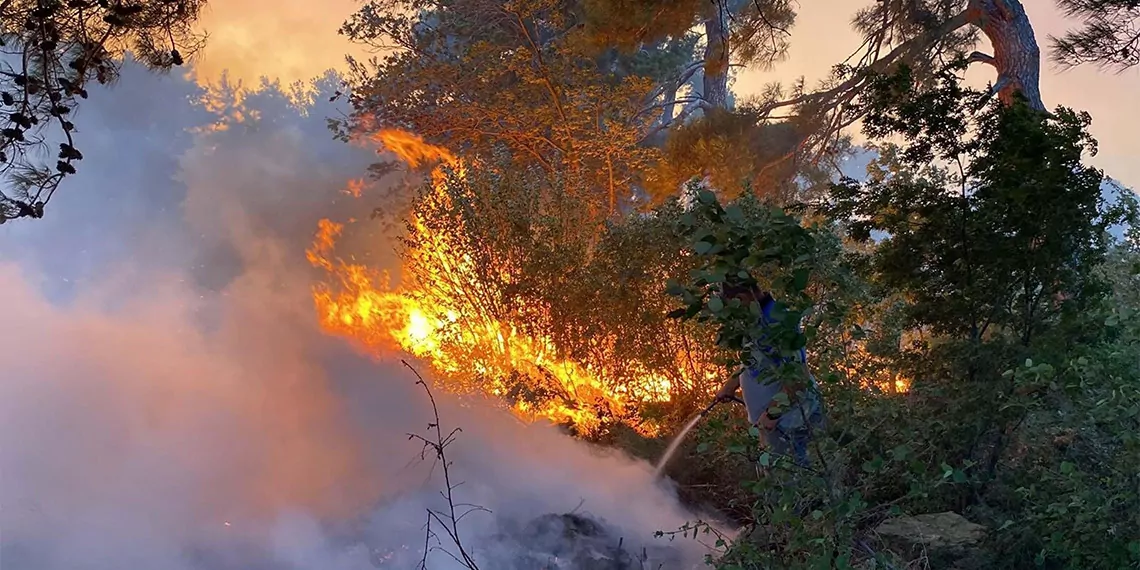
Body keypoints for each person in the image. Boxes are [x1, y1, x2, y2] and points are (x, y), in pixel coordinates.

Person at [714, 283, 824, 467]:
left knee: (796, 480)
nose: (734, 315)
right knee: (775, 478)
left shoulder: (777, 321)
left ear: (742, 298)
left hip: (793, 421)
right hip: (773, 423)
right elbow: (753, 360)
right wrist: (731, 385)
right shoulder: (756, 320)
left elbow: (799, 377)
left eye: (733, 307)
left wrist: (772, 415)